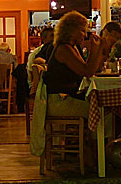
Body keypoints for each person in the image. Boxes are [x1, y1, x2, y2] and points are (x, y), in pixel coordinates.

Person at [43, 11, 107, 164]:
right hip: (59, 102)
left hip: (63, 99)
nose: (84, 35)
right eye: (83, 30)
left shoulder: (70, 48)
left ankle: (90, 152)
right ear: (72, 30)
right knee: (103, 113)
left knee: (101, 109)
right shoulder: (64, 49)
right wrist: (95, 50)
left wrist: (96, 51)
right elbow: (87, 72)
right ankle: (98, 155)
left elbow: (89, 70)